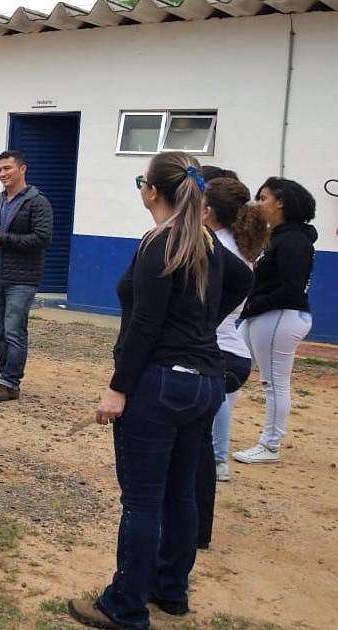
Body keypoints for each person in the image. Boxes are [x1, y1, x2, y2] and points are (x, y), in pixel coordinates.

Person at [68, 152, 252, 630]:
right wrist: (200, 327)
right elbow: (245, 278)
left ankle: (125, 606)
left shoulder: (160, 243)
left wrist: (117, 389)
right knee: (180, 493)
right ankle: (170, 589)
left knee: (144, 499)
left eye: (140, 182)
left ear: (152, 191)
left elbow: (145, 326)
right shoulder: (203, 240)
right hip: (206, 382)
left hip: (161, 383)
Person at [194, 175, 267, 550]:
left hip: (219, 352)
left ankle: (195, 529)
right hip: (231, 351)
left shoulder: (217, 250)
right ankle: (195, 529)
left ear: (208, 211)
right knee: (200, 443)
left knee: (195, 445)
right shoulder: (237, 246)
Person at [232, 177, 317, 465]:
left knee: (274, 383)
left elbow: (290, 288)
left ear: (280, 202)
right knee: (227, 364)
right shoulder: (278, 236)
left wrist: (252, 305)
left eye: (264, 197)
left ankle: (270, 445)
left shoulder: (293, 239)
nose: (259, 203)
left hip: (278, 317)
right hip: (264, 316)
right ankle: (210, 426)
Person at [0, 150, 53, 402]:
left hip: (22, 279)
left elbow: (42, 238)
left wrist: (3, 239)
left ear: (22, 169)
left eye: (7, 168)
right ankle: (3, 373)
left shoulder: (37, 201)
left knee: (14, 331)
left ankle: (11, 383)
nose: (2, 174)